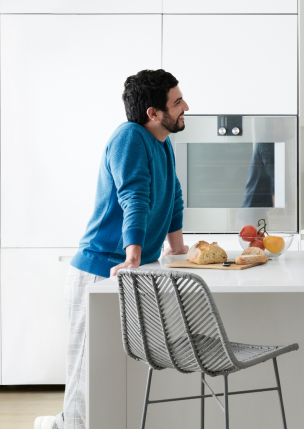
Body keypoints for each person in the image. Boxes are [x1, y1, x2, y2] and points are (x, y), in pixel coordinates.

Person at [36, 69, 190, 429]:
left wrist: (178, 248)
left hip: (132, 269)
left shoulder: (163, 143)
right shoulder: (130, 138)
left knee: (118, 368)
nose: (186, 106)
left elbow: (174, 196)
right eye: (177, 101)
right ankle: (60, 427)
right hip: (101, 268)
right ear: (153, 112)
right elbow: (133, 196)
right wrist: (133, 257)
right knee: (86, 372)